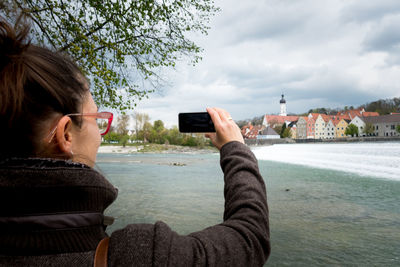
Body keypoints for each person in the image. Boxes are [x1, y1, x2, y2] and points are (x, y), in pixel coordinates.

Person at [0, 16, 270, 266]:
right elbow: (249, 238)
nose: (100, 132)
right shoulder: (137, 255)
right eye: (97, 118)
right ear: (66, 134)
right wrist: (235, 148)